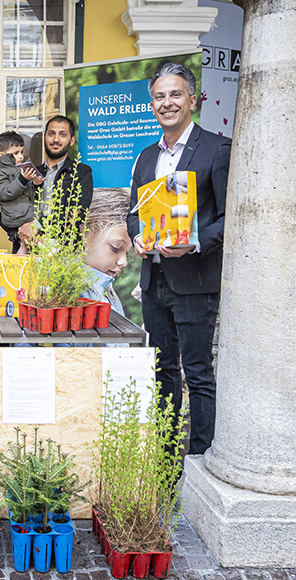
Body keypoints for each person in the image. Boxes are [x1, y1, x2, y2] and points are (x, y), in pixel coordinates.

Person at [126, 62, 231, 456]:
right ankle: (166, 458)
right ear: (152, 104)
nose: (166, 102)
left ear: (192, 99)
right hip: (154, 281)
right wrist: (138, 236)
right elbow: (133, 210)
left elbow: (230, 218)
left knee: (199, 373)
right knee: (163, 370)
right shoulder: (147, 156)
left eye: (174, 94)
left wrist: (196, 242)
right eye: (159, 96)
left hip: (195, 281)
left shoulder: (217, 149)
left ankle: (203, 459)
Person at [19, 116, 94, 250]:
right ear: (44, 138)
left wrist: (39, 224)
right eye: (51, 134)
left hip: (64, 251)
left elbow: (78, 213)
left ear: (71, 141)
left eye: (62, 135)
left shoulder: (81, 172)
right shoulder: (29, 173)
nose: (56, 140)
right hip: (29, 248)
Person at [0, 131, 43, 253]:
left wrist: (35, 184)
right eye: (15, 153)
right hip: (17, 216)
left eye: (22, 152)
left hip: (25, 213)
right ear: (2, 154)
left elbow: (26, 194)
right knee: (36, 242)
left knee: (30, 246)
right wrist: (23, 180)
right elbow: (3, 193)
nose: (21, 156)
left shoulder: (19, 168)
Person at [83, 188, 132, 317]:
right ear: (84, 233)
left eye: (127, 252)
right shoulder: (68, 291)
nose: (124, 262)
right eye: (115, 248)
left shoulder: (104, 285)